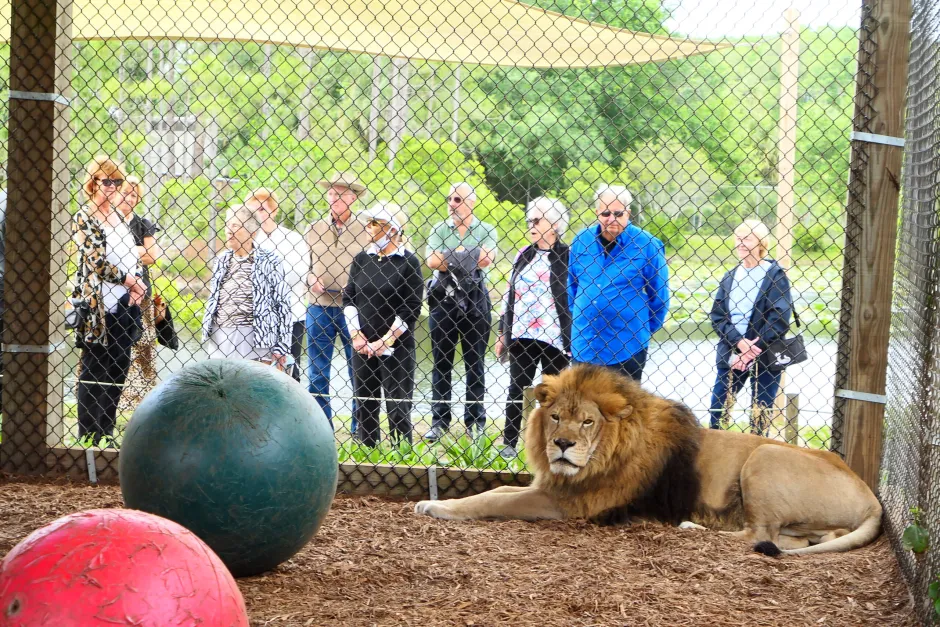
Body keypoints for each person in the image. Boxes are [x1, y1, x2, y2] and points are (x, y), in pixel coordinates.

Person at [71, 156, 146, 445]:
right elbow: (98, 263)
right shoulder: (86, 217)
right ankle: (88, 434)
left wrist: (136, 285)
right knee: (94, 368)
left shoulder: (118, 217)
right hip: (98, 306)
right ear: (93, 184)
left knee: (119, 366)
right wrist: (131, 280)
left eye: (117, 181)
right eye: (107, 181)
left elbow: (132, 256)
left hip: (126, 303)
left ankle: (107, 431)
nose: (113, 187)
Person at [567, 185, 669, 381]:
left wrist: (640, 330)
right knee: (581, 408)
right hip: (584, 345)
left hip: (626, 347)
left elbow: (660, 299)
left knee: (622, 410)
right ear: (597, 212)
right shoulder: (581, 240)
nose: (611, 218)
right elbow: (572, 287)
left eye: (618, 213)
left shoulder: (648, 246)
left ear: (628, 213)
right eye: (605, 212)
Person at [495, 196, 571, 459]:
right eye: (530, 219)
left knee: (553, 396)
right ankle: (508, 442)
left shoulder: (568, 256)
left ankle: (551, 446)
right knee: (517, 388)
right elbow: (509, 294)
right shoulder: (523, 254)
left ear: (555, 224)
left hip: (555, 339)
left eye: (537, 220)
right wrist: (502, 332)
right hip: (522, 335)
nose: (531, 224)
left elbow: (574, 297)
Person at [343, 203, 424, 447]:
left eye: (374, 223)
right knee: (366, 406)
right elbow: (349, 298)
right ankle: (369, 455)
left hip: (397, 347)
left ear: (391, 229)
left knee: (398, 409)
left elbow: (411, 307)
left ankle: (403, 459)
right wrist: (357, 335)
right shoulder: (361, 258)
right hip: (363, 345)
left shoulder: (408, 263)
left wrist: (386, 340)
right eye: (368, 223)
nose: (367, 228)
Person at [424, 182, 498, 442]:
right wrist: (469, 256)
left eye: (457, 199)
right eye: (449, 199)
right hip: (443, 299)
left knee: (474, 363)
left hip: (476, 299)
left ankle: (475, 420)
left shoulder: (487, 229)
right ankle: (439, 420)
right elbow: (432, 261)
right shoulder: (438, 228)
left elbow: (487, 258)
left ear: (471, 202)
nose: (451, 204)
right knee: (441, 363)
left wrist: (451, 257)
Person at [708, 219, 794, 436]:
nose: (741, 243)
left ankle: (757, 454)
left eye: (747, 238)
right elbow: (718, 316)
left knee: (760, 414)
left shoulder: (775, 275)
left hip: (765, 353)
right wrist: (739, 343)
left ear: (761, 243)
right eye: (738, 238)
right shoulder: (730, 276)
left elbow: (779, 318)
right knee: (719, 410)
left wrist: (751, 350)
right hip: (731, 351)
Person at [304, 172, 370, 429]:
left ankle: (359, 428)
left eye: (340, 194)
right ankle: (322, 428)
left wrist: (354, 286)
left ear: (352, 198)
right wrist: (311, 279)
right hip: (318, 306)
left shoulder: (366, 228)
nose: (333, 199)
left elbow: (372, 266)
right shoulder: (314, 228)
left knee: (358, 372)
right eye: (330, 193)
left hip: (353, 309)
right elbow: (304, 265)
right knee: (317, 373)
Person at [201, 205, 292, 370]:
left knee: (253, 387)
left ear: (252, 232)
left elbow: (283, 304)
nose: (229, 230)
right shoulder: (222, 259)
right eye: (227, 224)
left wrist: (282, 346)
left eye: (235, 225)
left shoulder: (270, 260)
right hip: (221, 337)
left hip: (257, 338)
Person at [247, 188, 309, 382]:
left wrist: (265, 274)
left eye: (263, 210)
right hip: (254, 317)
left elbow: (298, 273)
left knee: (289, 371)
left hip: (290, 316)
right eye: (252, 211)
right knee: (256, 372)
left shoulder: (293, 239)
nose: (258, 215)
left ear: (274, 211)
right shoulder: (247, 240)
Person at [116, 176, 163, 413]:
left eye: (134, 195)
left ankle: (140, 400)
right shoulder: (108, 221)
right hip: (113, 292)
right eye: (125, 192)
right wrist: (137, 250)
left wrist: (120, 250)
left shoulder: (143, 224)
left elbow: (152, 256)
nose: (129, 198)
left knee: (141, 345)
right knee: (113, 347)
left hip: (140, 293)